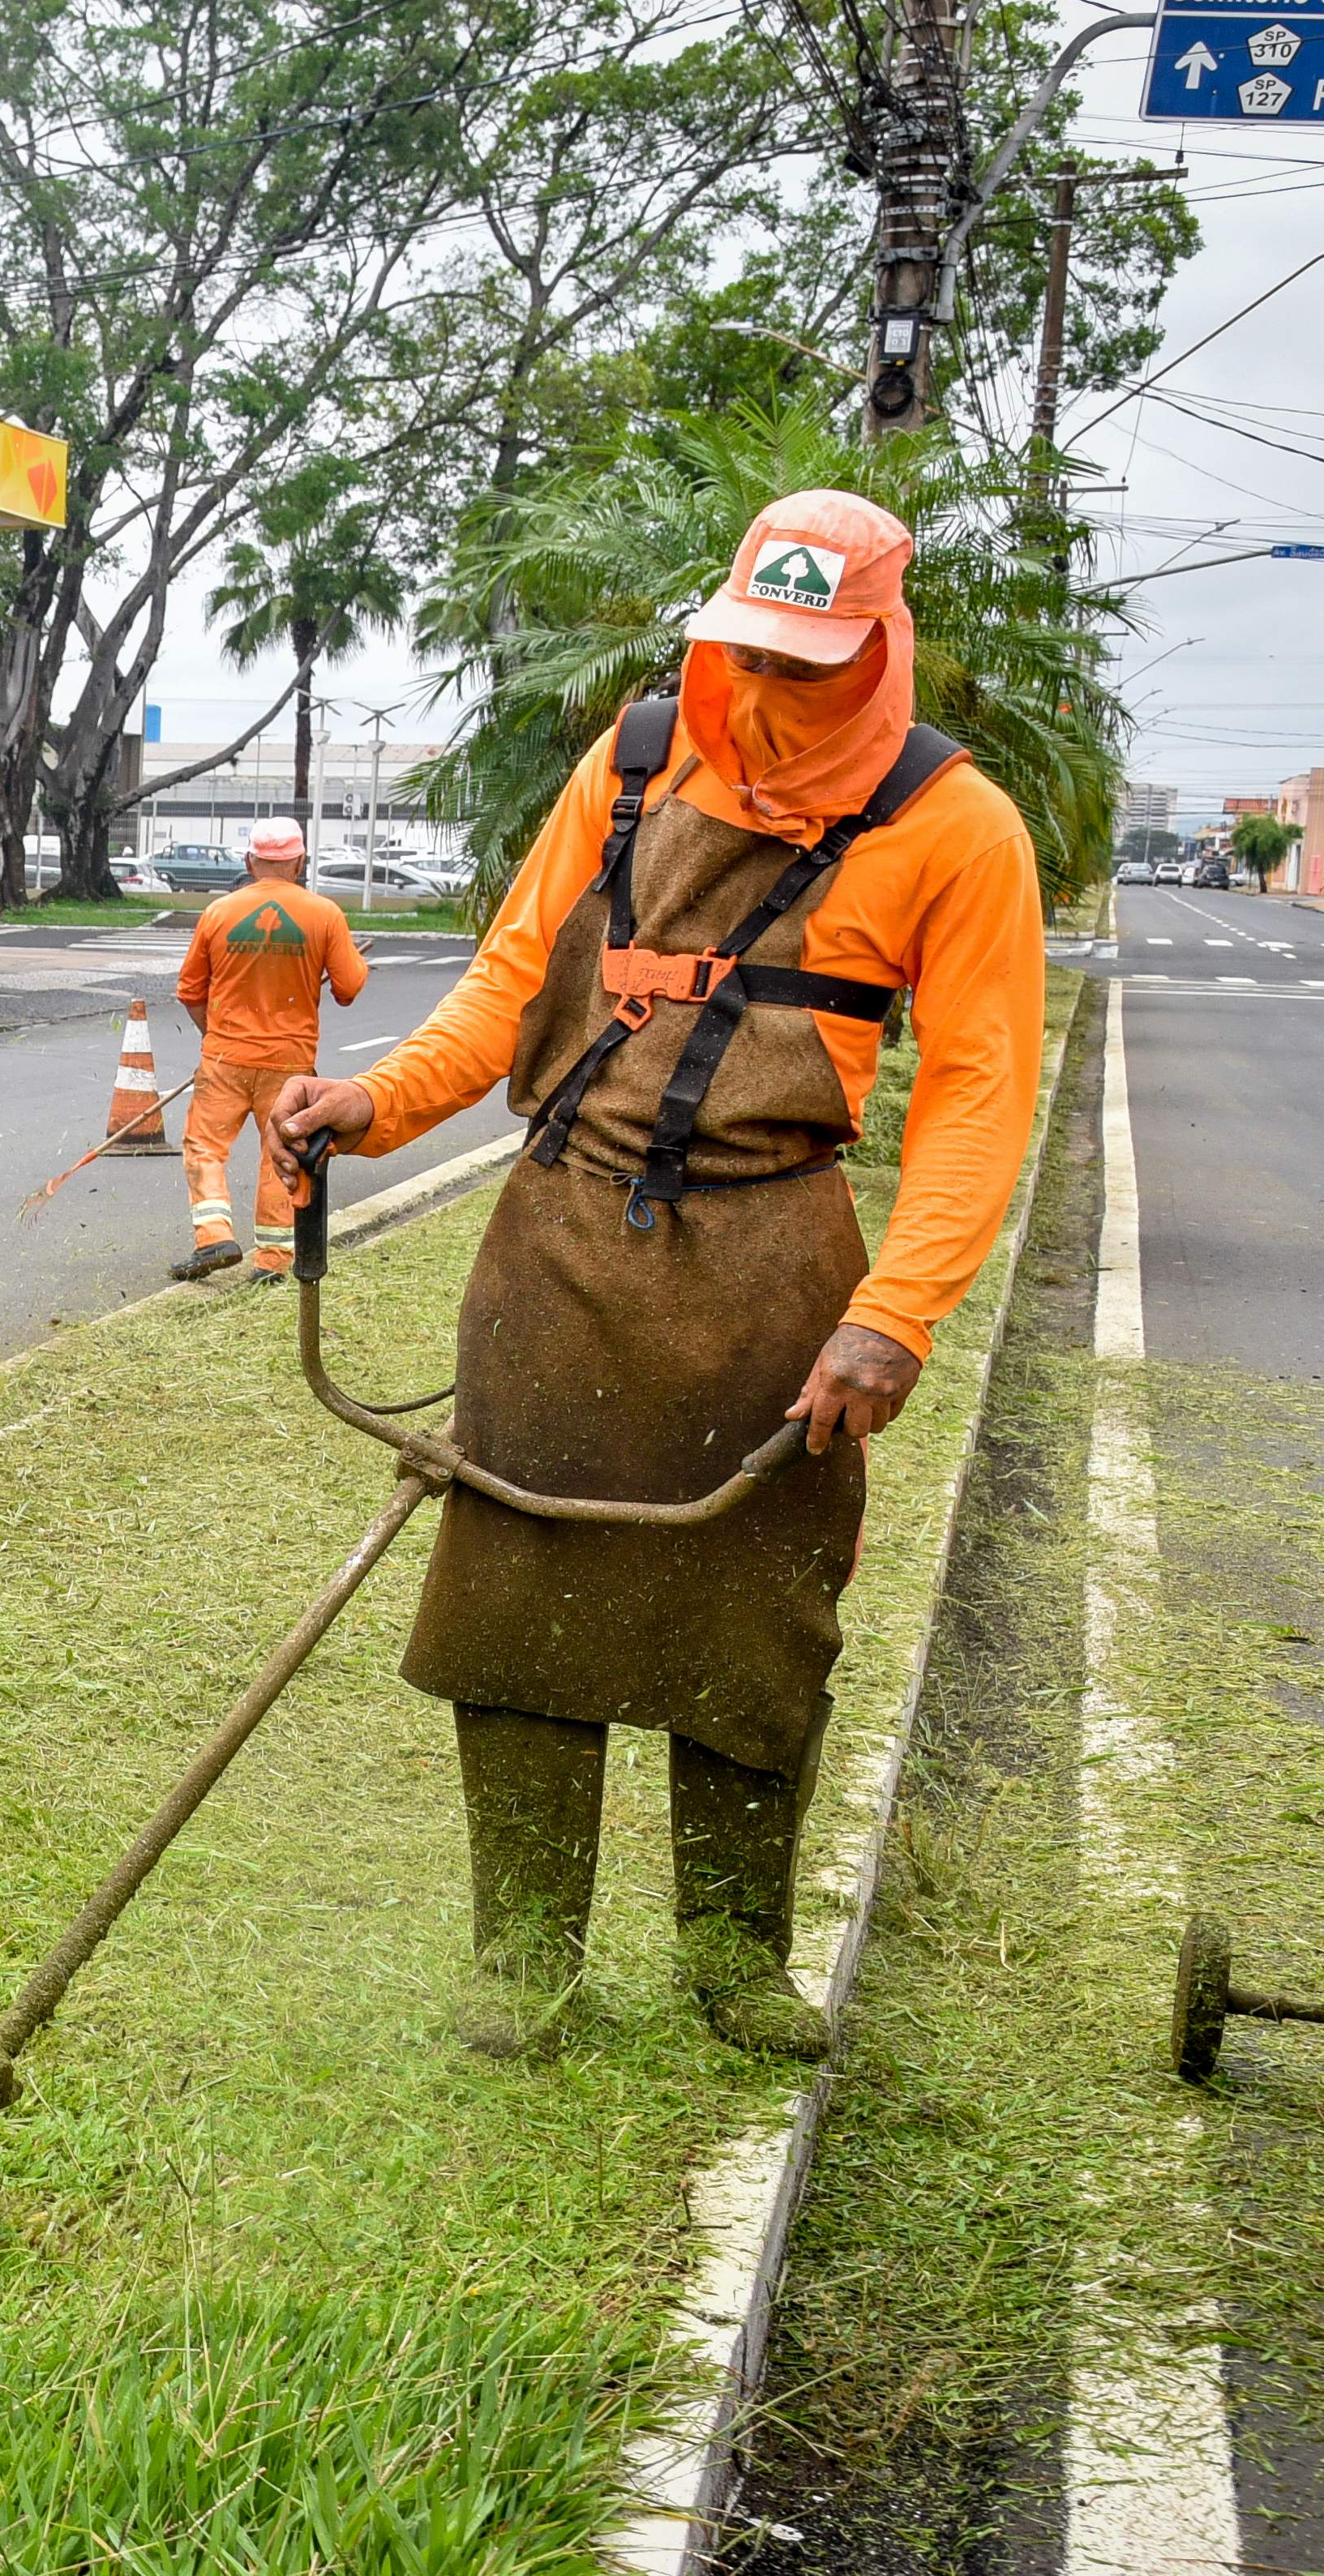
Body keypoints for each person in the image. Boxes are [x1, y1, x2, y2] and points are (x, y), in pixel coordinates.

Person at [268, 490, 1044, 2061]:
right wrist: (382, 1100)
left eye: (810, 659)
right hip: (557, 1239)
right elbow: (513, 973)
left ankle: (730, 1959)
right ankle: (525, 1961)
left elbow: (979, 1089)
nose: (770, 687)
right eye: (752, 648)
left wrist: (890, 1317)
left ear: (880, 645)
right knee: (519, 1598)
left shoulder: (959, 827)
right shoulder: (635, 761)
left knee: (755, 1622)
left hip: (776, 1260)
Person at [167, 816, 368, 1285]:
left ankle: (213, 1235)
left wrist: (213, 1035)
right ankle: (273, 1263)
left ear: (250, 861)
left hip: (225, 1057)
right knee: (280, 1153)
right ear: (299, 861)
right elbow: (349, 988)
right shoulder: (324, 914)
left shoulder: (219, 913)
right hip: (290, 1066)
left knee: (205, 1146)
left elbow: (190, 990)